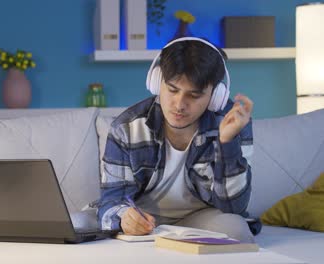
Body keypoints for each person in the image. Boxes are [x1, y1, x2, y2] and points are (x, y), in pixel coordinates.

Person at [95, 37, 259, 242]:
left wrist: (228, 142)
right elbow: (112, 199)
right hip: (145, 217)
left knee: (237, 231)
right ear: (156, 81)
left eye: (194, 95)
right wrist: (124, 218)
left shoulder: (233, 122)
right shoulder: (126, 128)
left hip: (202, 216)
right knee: (80, 223)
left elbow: (234, 207)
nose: (179, 105)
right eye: (172, 90)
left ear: (216, 95)